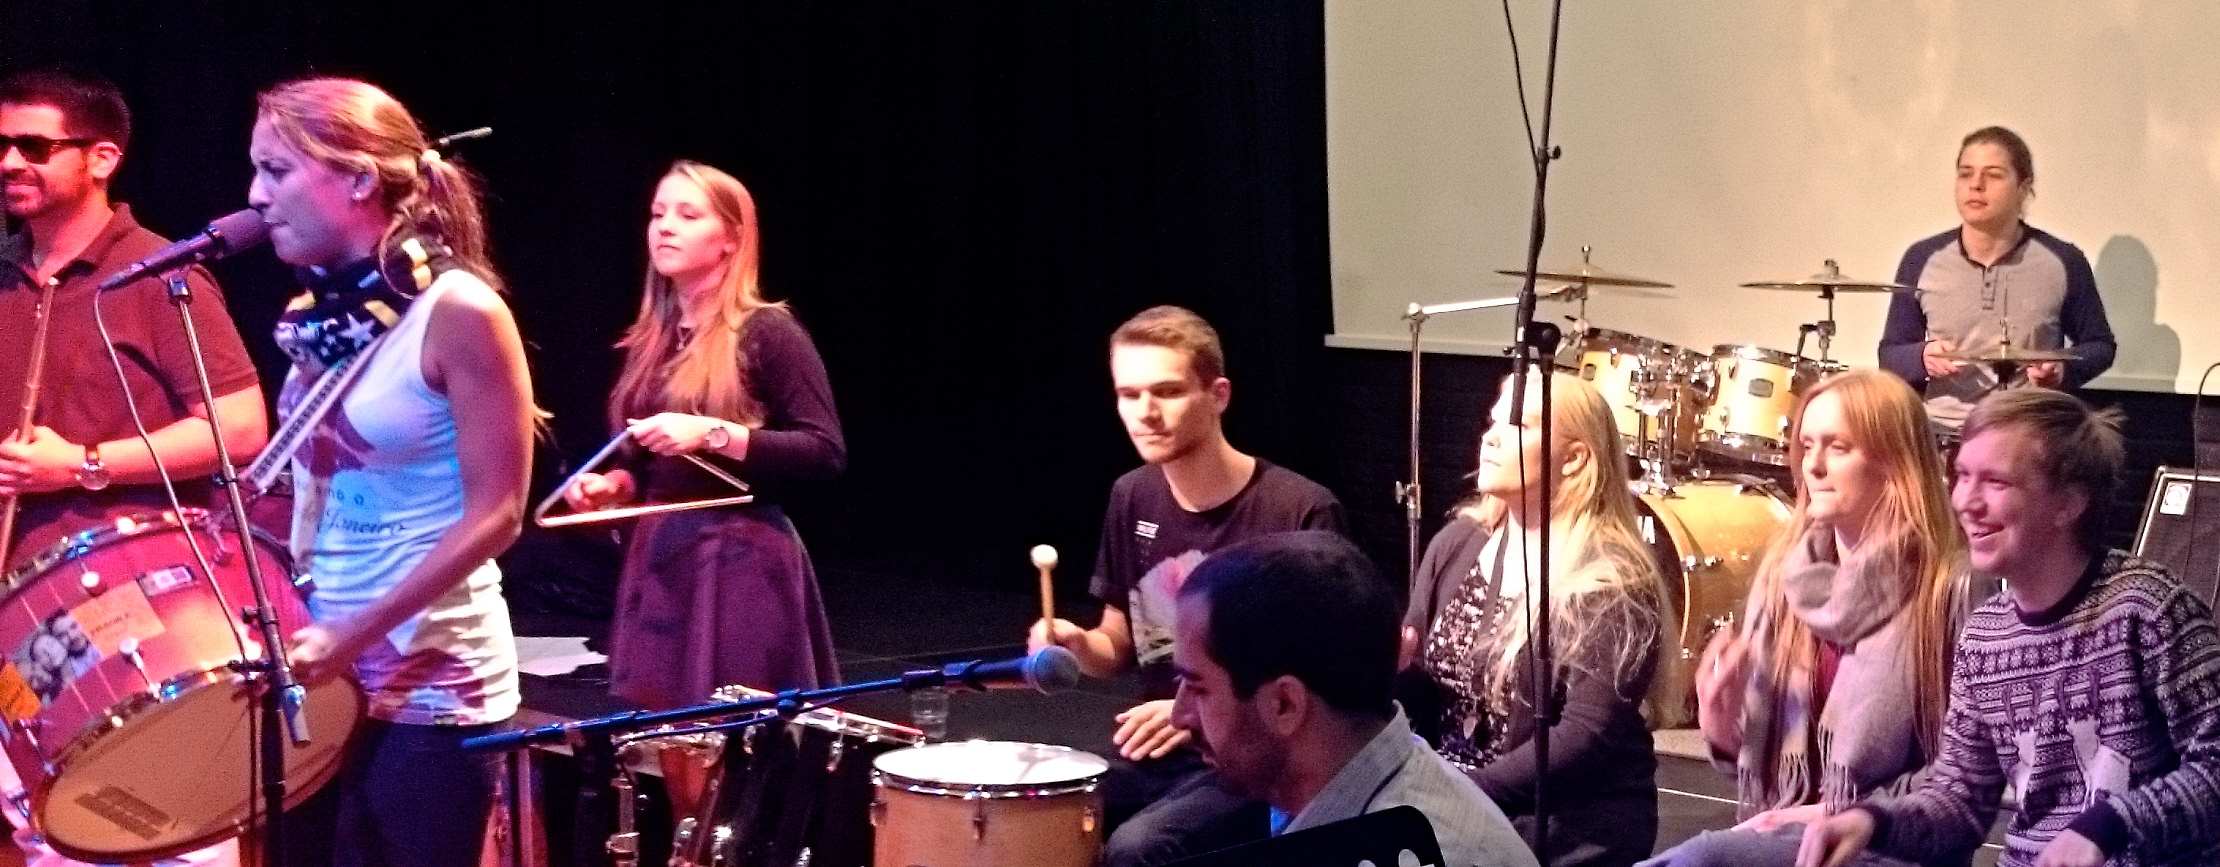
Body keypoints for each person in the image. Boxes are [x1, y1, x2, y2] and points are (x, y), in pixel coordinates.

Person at [250, 76, 531, 867]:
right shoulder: (321, 321)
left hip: (432, 690)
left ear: (359, 179)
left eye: (276, 171)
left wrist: (354, 631)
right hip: (323, 674)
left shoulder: (460, 311)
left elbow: (500, 512)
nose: (255, 197)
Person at [0, 68, 262, 867]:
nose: (9, 161)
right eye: (1, 145)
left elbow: (240, 427)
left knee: (161, 829)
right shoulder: (4, 277)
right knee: (48, 834)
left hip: (133, 604)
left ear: (102, 158)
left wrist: (82, 465)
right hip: (18, 612)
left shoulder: (158, 275)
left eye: (34, 146)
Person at [1796, 389, 2220, 867]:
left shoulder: (2150, 608)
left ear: (2068, 503)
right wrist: (1872, 821)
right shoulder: (1985, 634)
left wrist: (2110, 826)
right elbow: (1959, 799)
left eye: (1995, 481)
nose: (1965, 502)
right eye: (1962, 476)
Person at [1028, 305, 1347, 867]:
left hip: (1263, 765)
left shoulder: (1299, 510)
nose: (1145, 413)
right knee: (1045, 813)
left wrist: (1194, 710)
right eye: (1129, 395)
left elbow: (1322, 681)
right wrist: (1077, 645)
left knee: (1139, 848)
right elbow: (1119, 643)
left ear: (1219, 395)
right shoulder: (1133, 495)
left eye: (1167, 392)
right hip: (1162, 755)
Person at [1640, 370, 1977, 867]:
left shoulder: (1947, 587)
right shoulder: (1787, 576)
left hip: (1886, 842)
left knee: (1704, 858)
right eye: (1806, 446)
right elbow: (1760, 776)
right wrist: (1722, 723)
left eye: (1838, 447)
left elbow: (1962, 777)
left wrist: (1836, 814)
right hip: (1788, 833)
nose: (1813, 466)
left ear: (1895, 462)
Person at [561, 160, 844, 709]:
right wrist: (617, 484)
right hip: (663, 553)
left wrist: (712, 433)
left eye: (688, 215)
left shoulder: (768, 332)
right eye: (658, 214)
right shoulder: (654, 337)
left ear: (730, 239)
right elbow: (646, 460)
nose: (666, 227)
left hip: (738, 560)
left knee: (733, 734)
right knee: (664, 734)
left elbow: (824, 449)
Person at [1401, 371, 1666, 867]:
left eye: (1518, 424)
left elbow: (1584, 736)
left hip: (1558, 820)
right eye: (1492, 421)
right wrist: (1391, 671)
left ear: (1575, 458)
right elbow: (1424, 688)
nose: (1491, 436)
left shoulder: (1610, 578)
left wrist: (1456, 793)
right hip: (1457, 801)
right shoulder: (1457, 544)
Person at [1171, 530, 1536, 867]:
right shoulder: (1320, 792)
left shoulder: (1434, 851)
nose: (1178, 716)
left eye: (1197, 688)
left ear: (1284, 705)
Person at [1878, 126, 2115, 435]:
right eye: (1965, 174)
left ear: (2023, 187)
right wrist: (1921, 357)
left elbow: (2100, 345)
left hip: (2030, 434)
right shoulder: (1922, 258)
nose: (1976, 185)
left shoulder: (2063, 260)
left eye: (1993, 175)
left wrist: (2062, 370)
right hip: (1944, 432)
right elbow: (1890, 353)